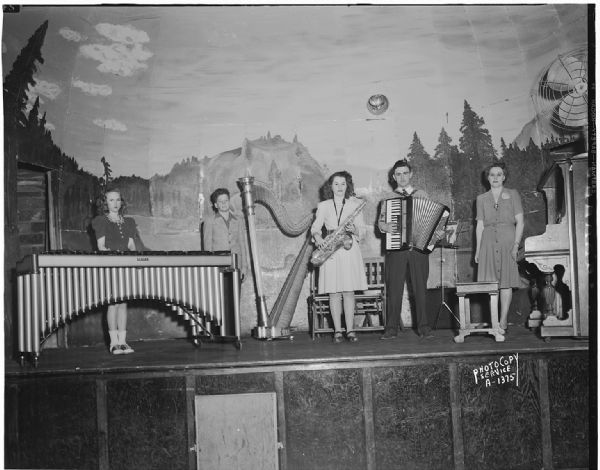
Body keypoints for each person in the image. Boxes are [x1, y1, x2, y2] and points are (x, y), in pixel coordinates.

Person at [378, 159, 436, 340]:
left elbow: (432, 219)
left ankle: (424, 328)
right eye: (398, 174)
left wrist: (435, 233)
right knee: (394, 289)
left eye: (405, 173)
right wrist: (384, 227)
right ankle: (391, 329)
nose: (402, 177)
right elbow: (380, 222)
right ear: (394, 177)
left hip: (418, 249)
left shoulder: (422, 194)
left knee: (420, 289)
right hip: (396, 249)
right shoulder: (388, 199)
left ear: (410, 174)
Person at [311, 171, 368, 343]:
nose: (340, 187)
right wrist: (318, 238)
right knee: (334, 292)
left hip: (349, 250)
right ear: (331, 186)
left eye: (343, 184)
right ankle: (337, 331)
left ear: (347, 186)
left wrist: (355, 230)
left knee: (349, 291)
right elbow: (315, 228)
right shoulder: (324, 205)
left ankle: (350, 330)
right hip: (331, 250)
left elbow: (363, 230)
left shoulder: (354, 205)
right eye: (336, 184)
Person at [474, 162, 524, 333]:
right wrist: (478, 250)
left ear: (504, 177)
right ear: (487, 178)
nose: (495, 177)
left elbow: (520, 221)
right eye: (492, 174)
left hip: (508, 241)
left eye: (499, 174)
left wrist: (516, 245)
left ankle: (502, 321)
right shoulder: (481, 199)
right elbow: (479, 226)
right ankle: (494, 322)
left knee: (506, 283)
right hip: (487, 242)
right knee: (491, 284)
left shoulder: (513, 194)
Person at [91, 188, 137, 355]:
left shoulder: (128, 222)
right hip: (111, 266)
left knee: (123, 304)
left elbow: (131, 245)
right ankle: (114, 342)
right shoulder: (101, 221)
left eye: (118, 200)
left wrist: (132, 257)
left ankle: (123, 341)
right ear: (105, 203)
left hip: (125, 266)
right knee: (113, 303)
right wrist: (114, 257)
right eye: (111, 200)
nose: (115, 203)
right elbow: (101, 246)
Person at [202, 188, 249, 281]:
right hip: (218, 266)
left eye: (226, 200)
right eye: (220, 201)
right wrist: (210, 268)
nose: (224, 203)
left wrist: (244, 266)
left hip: (237, 265)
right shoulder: (209, 221)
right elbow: (207, 248)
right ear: (216, 205)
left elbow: (242, 245)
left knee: (236, 293)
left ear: (229, 201)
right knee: (220, 293)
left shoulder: (238, 220)